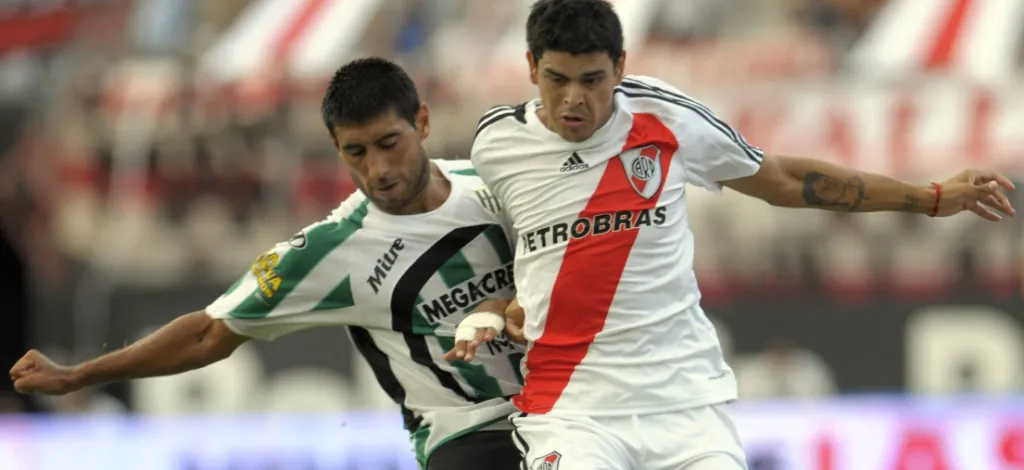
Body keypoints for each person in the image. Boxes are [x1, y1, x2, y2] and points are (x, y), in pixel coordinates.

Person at [451, 1, 1017, 469]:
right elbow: (499, 233)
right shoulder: (497, 144)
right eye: (557, 79)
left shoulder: (666, 119)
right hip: (572, 410)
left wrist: (929, 198)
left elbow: (783, 181)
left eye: (592, 80)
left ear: (620, 67)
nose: (574, 99)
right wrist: (502, 301)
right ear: (531, 67)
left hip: (685, 406)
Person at [9, 58, 527, 470]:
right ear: (336, 148)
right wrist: (78, 376)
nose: (379, 170)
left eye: (390, 144)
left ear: (424, 122)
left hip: (560, 409)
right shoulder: (329, 251)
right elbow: (207, 333)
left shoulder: (494, 185)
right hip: (469, 436)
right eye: (357, 153)